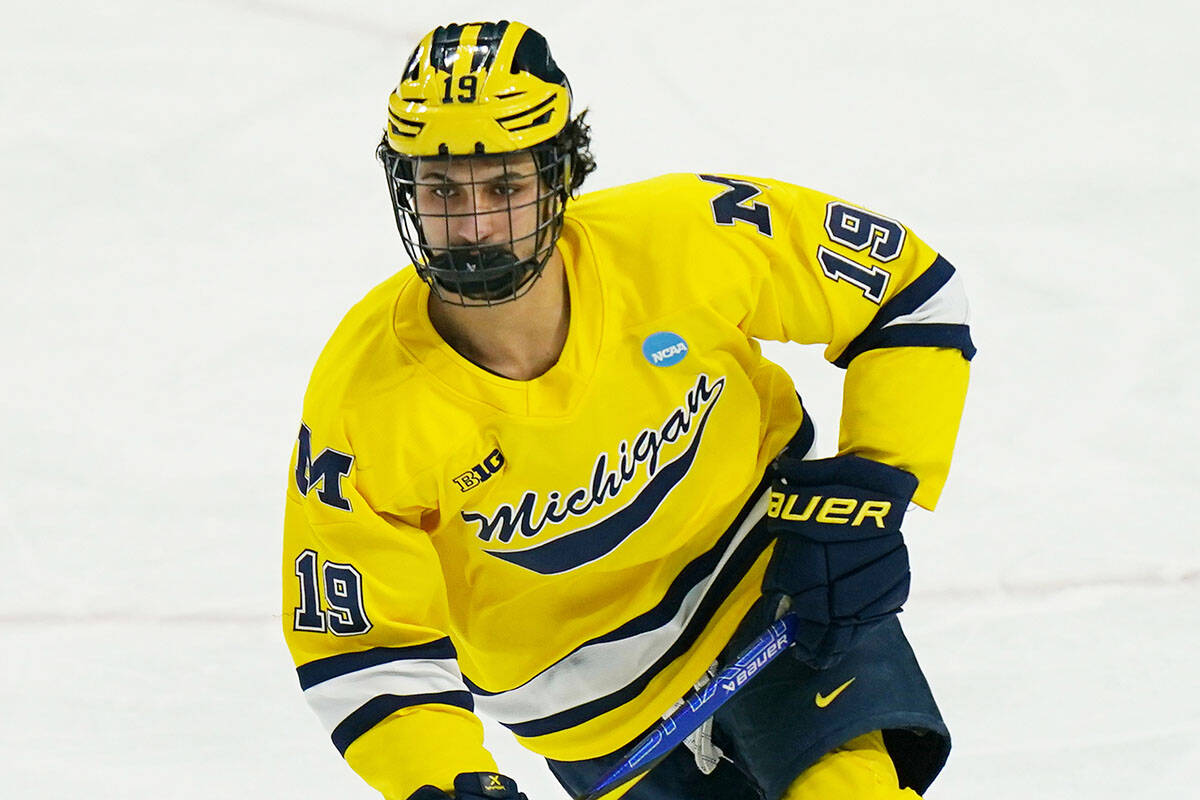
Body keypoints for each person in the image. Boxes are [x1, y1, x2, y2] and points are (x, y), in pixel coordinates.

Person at [282, 19, 975, 800]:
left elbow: (907, 293)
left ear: (561, 173)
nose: (473, 227)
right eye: (442, 190)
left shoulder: (684, 238)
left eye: (504, 187)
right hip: (590, 712)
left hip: (775, 591)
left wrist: (876, 489)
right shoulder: (362, 403)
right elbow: (363, 648)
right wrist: (445, 782)